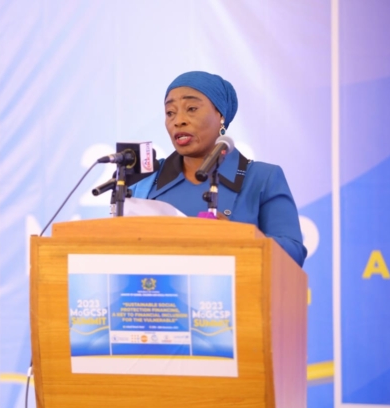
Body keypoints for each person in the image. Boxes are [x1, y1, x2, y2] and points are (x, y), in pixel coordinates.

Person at [130, 71, 307, 267]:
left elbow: (293, 253)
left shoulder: (262, 178)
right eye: (170, 112)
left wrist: (238, 237)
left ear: (220, 115)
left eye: (191, 108)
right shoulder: (145, 179)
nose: (178, 120)